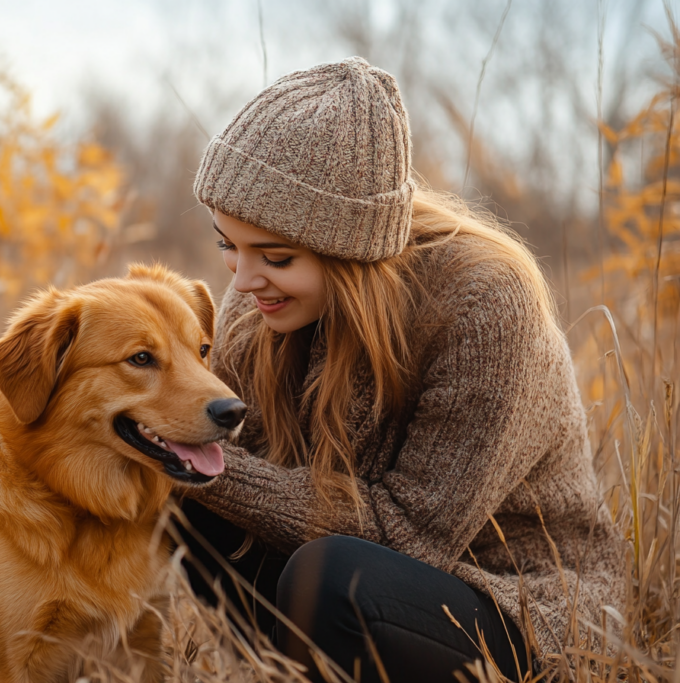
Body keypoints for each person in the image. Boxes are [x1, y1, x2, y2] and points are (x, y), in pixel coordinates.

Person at [176, 57, 626, 683]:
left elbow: (407, 537)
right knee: (178, 500)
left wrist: (199, 469)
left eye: (275, 256)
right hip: (345, 577)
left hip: (510, 602)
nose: (244, 281)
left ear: (350, 250)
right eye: (229, 245)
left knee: (327, 574)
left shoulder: (485, 306)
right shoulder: (262, 302)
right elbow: (242, 468)